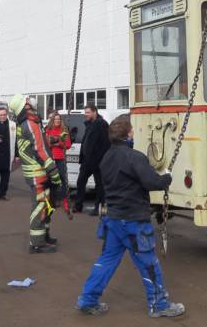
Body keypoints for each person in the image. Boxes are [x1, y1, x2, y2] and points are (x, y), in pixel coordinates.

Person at [77, 115, 185, 318]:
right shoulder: (135, 157)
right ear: (127, 134)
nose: (134, 133)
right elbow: (154, 183)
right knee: (149, 264)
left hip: (113, 220)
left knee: (106, 261)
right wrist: (167, 178)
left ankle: (88, 299)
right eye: (132, 131)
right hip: (134, 222)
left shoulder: (106, 158)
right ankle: (159, 305)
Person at [9, 93, 63, 253]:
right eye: (27, 100)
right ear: (24, 105)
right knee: (40, 206)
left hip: (37, 171)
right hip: (37, 172)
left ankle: (44, 235)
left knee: (46, 204)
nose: (31, 101)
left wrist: (52, 140)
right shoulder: (29, 123)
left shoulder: (31, 121)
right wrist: (53, 172)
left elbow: (38, 142)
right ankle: (37, 243)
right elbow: (39, 150)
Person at [75, 104, 110, 216]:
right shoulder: (90, 124)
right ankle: (78, 206)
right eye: (85, 112)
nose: (86, 115)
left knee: (99, 185)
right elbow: (87, 142)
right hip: (87, 160)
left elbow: (106, 144)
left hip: (97, 161)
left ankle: (98, 208)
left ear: (95, 112)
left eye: (88, 112)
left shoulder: (102, 124)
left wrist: (100, 159)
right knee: (80, 182)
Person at [45, 111, 72, 206]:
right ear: (52, 120)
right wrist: (52, 142)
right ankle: (52, 199)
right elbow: (45, 144)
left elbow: (68, 145)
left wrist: (58, 143)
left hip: (61, 158)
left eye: (59, 119)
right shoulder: (48, 130)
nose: (57, 121)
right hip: (51, 158)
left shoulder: (64, 130)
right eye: (55, 119)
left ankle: (65, 200)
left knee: (63, 178)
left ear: (61, 120)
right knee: (51, 179)